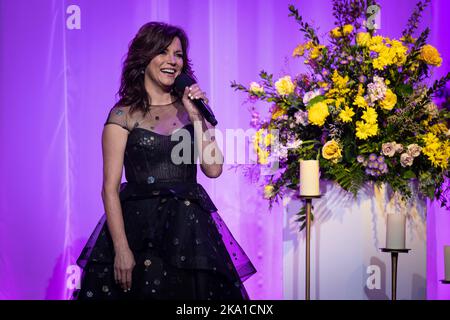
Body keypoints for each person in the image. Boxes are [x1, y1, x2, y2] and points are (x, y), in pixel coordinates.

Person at [73, 22, 256, 300]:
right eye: (163, 52)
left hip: (188, 231)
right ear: (144, 57)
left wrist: (196, 115)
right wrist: (122, 248)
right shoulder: (123, 115)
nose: (173, 61)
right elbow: (109, 188)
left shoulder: (191, 110)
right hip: (138, 232)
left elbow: (214, 168)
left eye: (178, 54)